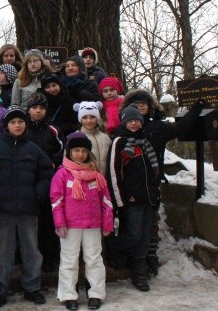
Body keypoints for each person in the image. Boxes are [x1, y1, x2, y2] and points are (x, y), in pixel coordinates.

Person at [118, 90, 204, 275]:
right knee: (132, 226)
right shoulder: (120, 134)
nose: (140, 106)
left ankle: (149, 257)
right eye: (136, 103)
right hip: (130, 186)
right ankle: (128, 257)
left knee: (151, 223)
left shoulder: (157, 127)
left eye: (144, 103)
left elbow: (181, 128)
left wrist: (196, 108)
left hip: (151, 183)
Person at [0, 105, 53, 308]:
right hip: (3, 210)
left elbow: (46, 173)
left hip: (28, 209)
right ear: (6, 126)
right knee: (2, 252)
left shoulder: (33, 150)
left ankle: (32, 287)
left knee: (31, 251)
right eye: (12, 122)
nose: (17, 125)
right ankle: (0, 289)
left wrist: (38, 193)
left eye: (20, 121)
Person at [51, 131, 113, 311]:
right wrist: (59, 222)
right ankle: (69, 294)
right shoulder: (62, 174)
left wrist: (107, 222)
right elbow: (56, 200)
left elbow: (106, 200)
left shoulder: (95, 175)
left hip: (93, 224)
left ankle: (96, 293)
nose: (80, 154)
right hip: (70, 226)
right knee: (69, 261)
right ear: (69, 152)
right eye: (76, 150)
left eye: (83, 151)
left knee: (94, 260)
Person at [106, 104, 159, 292]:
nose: (134, 123)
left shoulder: (144, 142)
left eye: (137, 120)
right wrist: (119, 200)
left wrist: (155, 193)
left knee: (145, 237)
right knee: (134, 235)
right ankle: (111, 247)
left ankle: (139, 272)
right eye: (130, 120)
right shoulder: (120, 142)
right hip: (131, 199)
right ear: (124, 122)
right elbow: (114, 172)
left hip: (148, 198)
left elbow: (152, 172)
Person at [26, 91, 65, 273]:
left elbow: (62, 150)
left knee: (49, 221)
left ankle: (50, 259)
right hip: (28, 180)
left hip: (49, 180)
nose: (38, 111)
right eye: (34, 108)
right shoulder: (23, 129)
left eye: (41, 108)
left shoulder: (53, 130)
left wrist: (52, 162)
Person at [74, 101, 111, 175]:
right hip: (85, 182)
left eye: (92, 117)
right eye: (84, 117)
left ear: (97, 118)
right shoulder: (75, 138)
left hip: (105, 181)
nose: (89, 121)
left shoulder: (106, 138)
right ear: (80, 119)